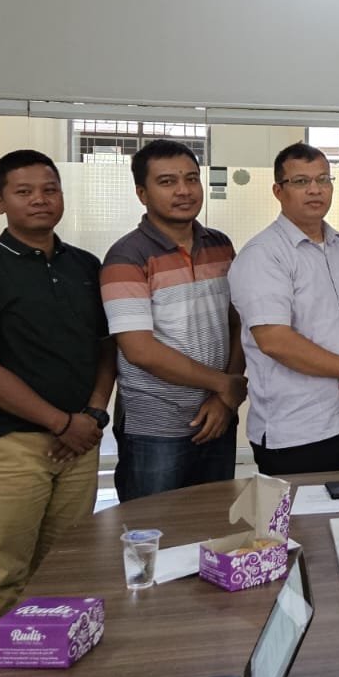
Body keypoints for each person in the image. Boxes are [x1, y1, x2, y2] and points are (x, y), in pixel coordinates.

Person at [0, 150, 114, 655]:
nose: (40, 200)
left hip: (78, 444)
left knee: (64, 570)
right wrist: (60, 422)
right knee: (5, 578)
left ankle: (53, 663)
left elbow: (106, 349)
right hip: (8, 445)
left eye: (50, 189)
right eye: (24, 192)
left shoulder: (85, 267)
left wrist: (93, 414)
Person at [101, 139, 246, 501]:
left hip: (217, 417)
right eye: (167, 182)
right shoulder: (127, 256)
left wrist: (223, 399)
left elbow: (237, 323)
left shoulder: (220, 245)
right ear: (142, 193)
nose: (184, 190)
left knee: (213, 521)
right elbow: (140, 350)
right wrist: (225, 384)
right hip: (155, 428)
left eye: (191, 179)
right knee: (152, 526)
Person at [228, 143, 339, 475]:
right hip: (296, 430)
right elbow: (274, 340)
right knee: (299, 511)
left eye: (323, 179)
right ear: (278, 191)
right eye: (301, 181)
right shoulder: (263, 255)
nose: (315, 189)